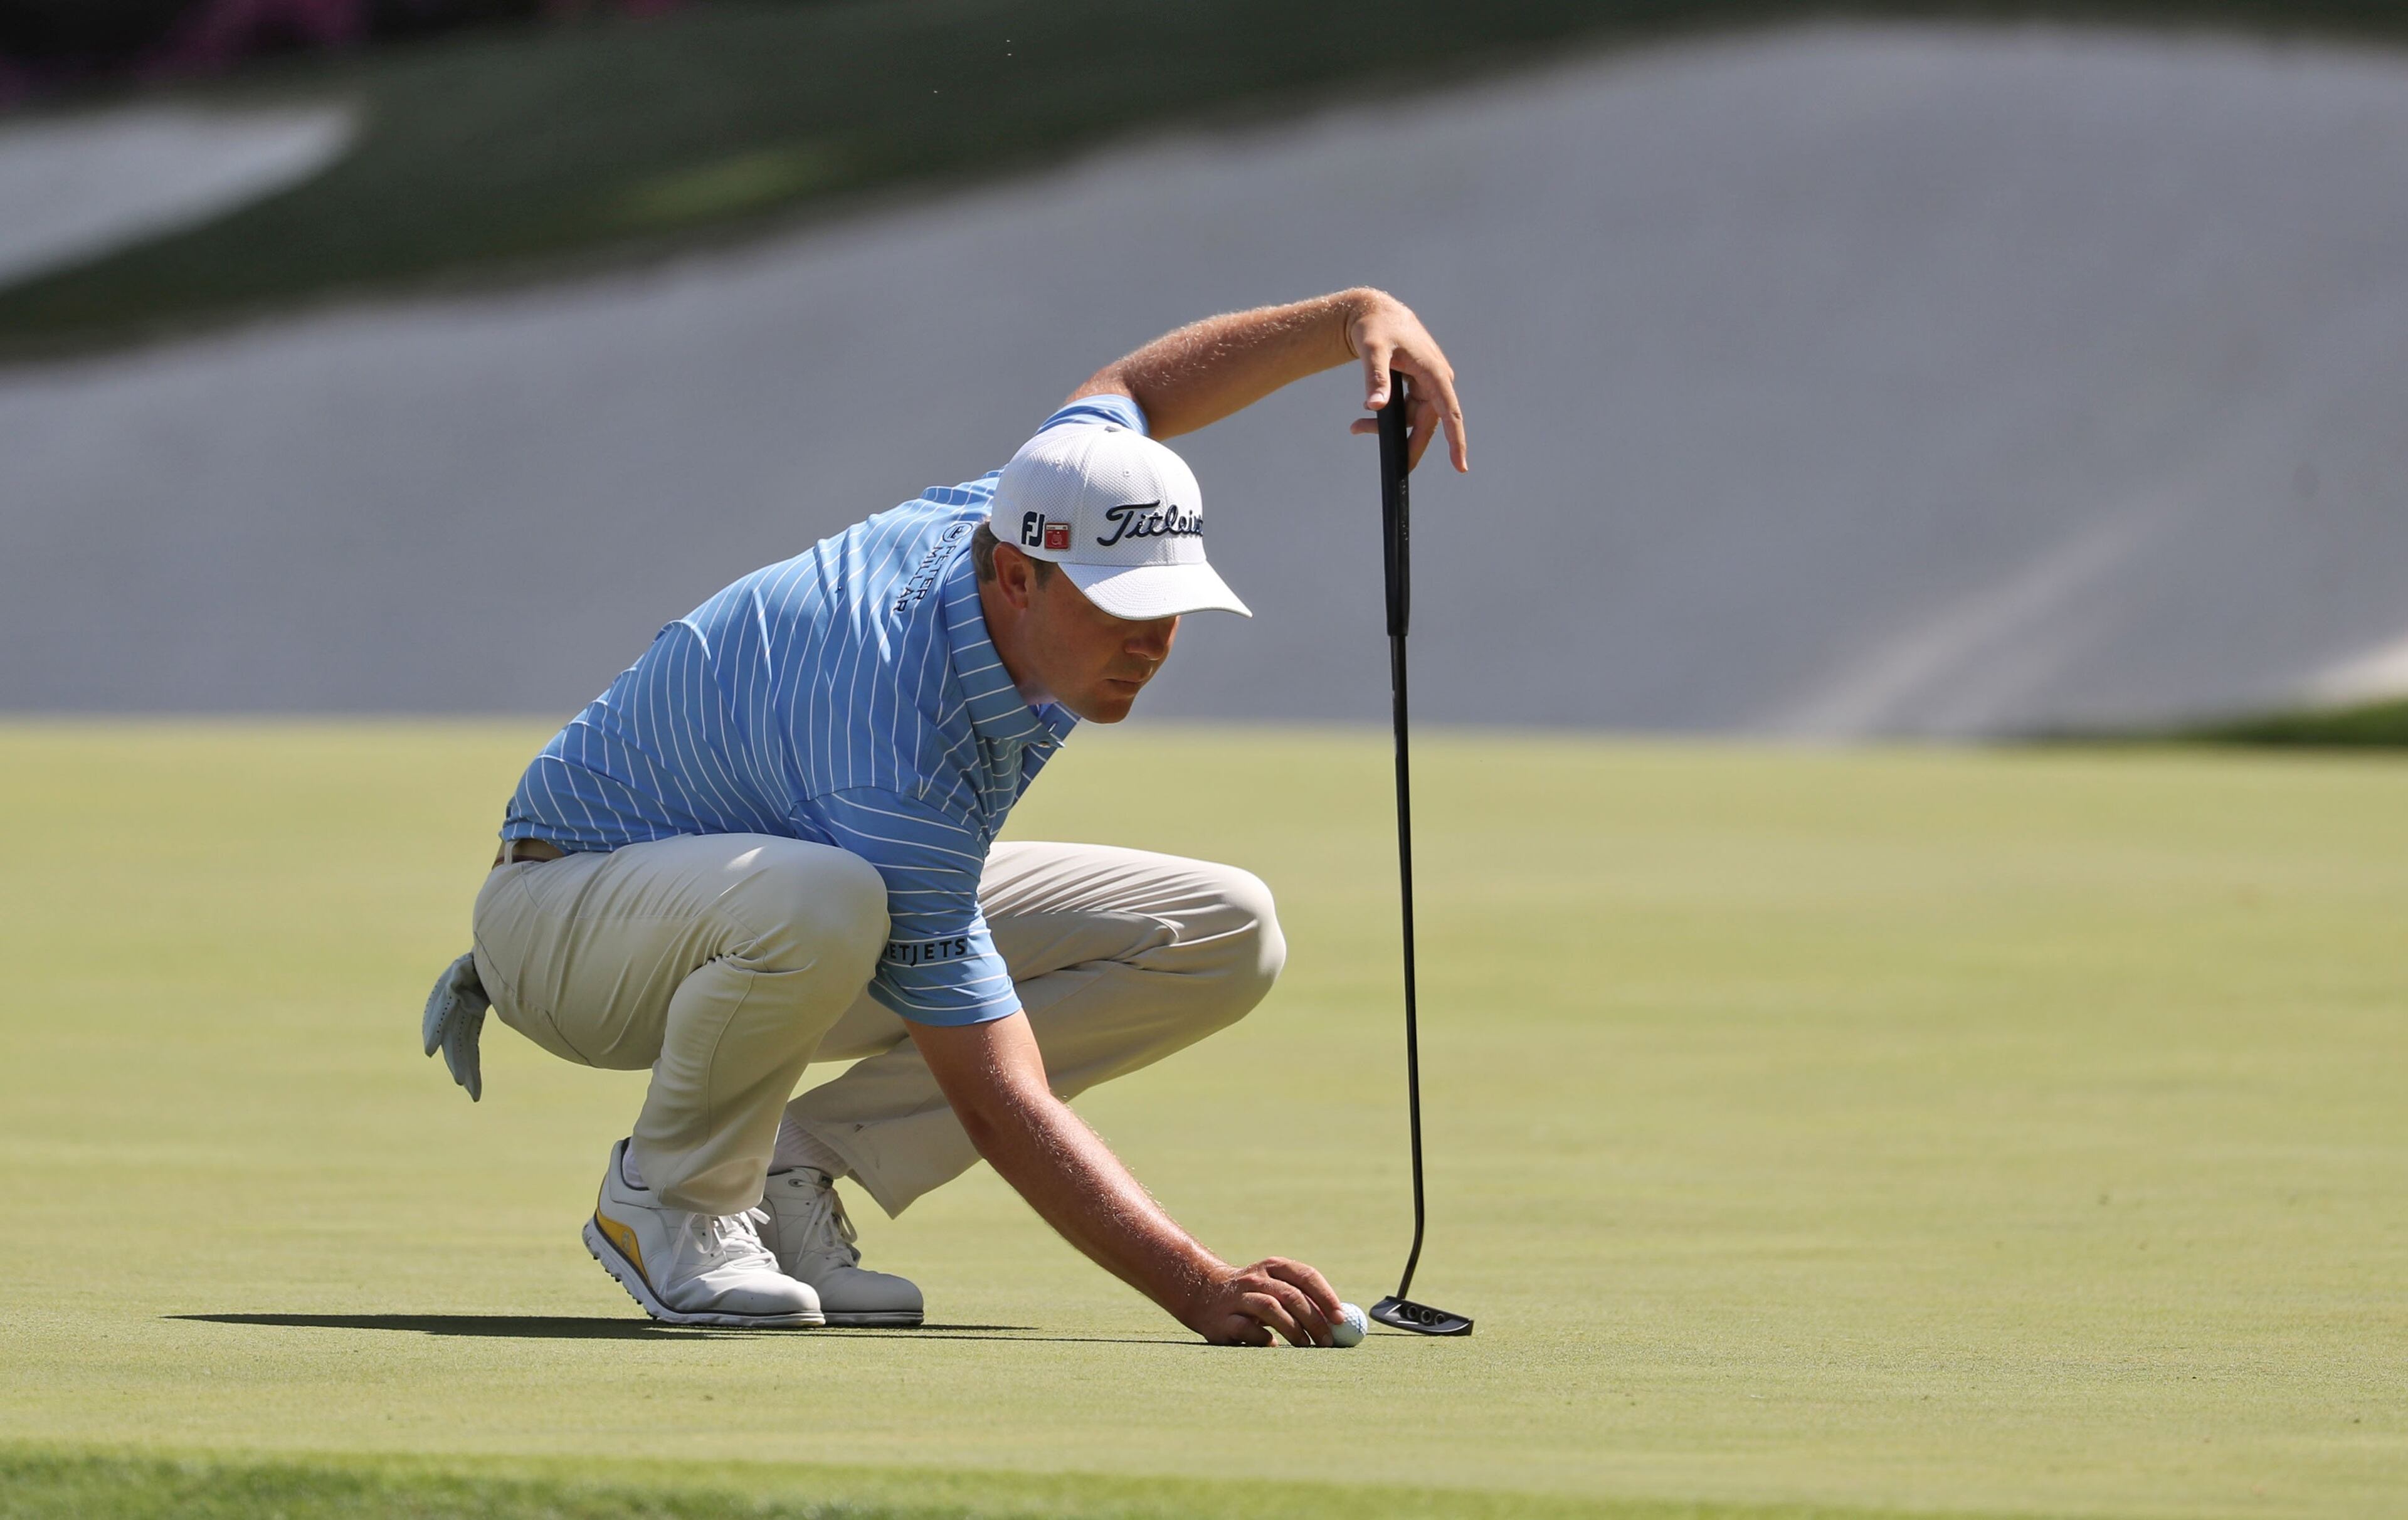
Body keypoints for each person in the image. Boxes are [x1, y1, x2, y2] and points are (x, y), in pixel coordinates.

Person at [421, 288, 1469, 1345]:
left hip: (748, 909)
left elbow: (1132, 392)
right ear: (1017, 576)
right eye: (1122, 607)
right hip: (566, 924)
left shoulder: (1033, 500)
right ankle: (673, 1201)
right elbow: (997, 1095)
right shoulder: (895, 745)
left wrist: (1351, 318)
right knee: (828, 898)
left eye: (1170, 608)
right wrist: (1196, 1285)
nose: (1153, 644)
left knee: (1224, 929)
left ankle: (791, 1166)